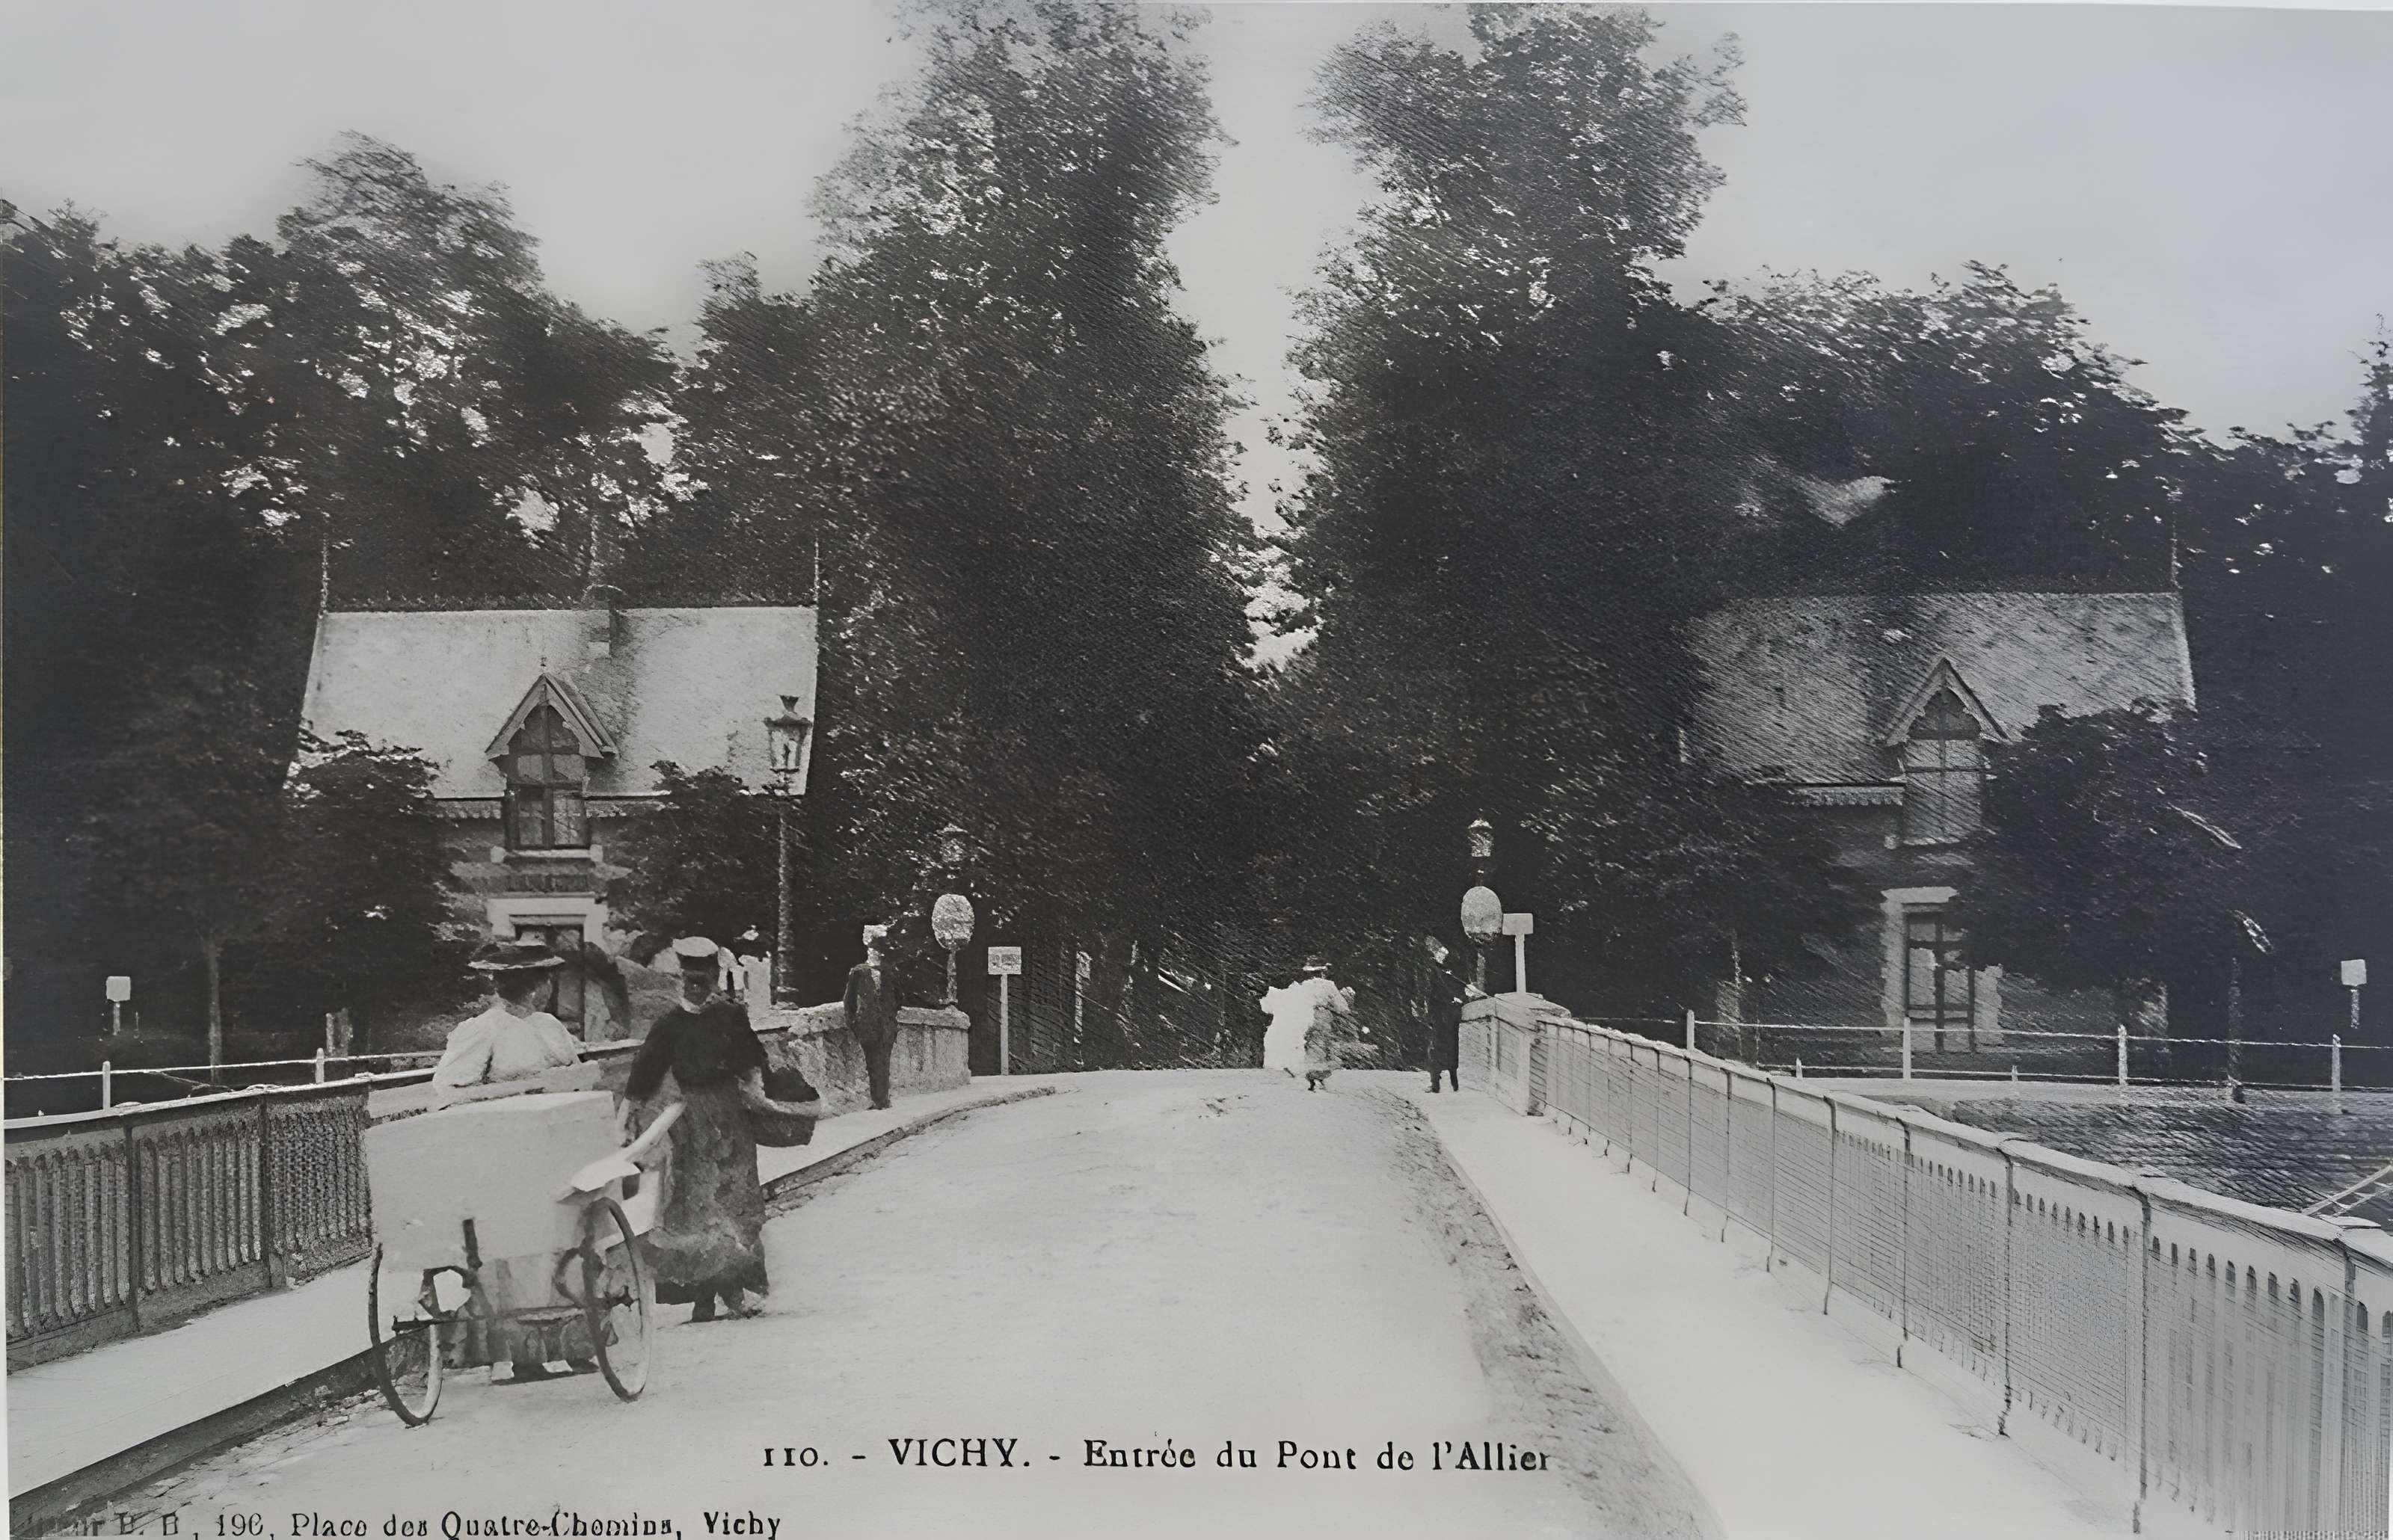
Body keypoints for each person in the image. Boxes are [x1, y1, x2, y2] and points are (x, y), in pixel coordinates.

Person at [621, 937, 816, 1324]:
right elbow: (643, 1078)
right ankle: (703, 1298)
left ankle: (733, 1291)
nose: (695, 986)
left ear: (714, 977)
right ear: (681, 979)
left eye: (703, 979)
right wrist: (626, 1119)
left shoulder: (731, 1017)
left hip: (730, 1119)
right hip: (692, 1123)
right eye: (689, 980)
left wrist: (770, 1102)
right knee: (696, 1211)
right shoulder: (668, 1026)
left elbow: (754, 1064)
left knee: (736, 1205)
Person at [428, 939, 592, 1382]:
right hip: (505, 1155)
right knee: (522, 1253)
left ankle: (577, 1344)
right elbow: (448, 1093)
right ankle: (525, 1355)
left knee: (570, 1240)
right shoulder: (483, 1030)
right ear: (507, 984)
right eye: (531, 980)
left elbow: (574, 1076)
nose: (536, 988)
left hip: (555, 1150)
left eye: (537, 980)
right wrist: (518, 1090)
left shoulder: (550, 1027)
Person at [430, 939, 583, 1101]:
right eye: (546, 981)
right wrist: (527, 1088)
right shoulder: (485, 1028)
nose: (549, 989)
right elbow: (448, 1089)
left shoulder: (549, 1024)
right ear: (534, 989)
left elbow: (577, 1072)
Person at [843, 924, 901, 1111]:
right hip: (867, 1025)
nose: (876, 953)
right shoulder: (859, 972)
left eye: (878, 951)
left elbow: (899, 998)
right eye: (873, 950)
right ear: (868, 950)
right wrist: (854, 1023)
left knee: (884, 1061)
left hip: (886, 1025)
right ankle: (878, 1100)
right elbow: (849, 1001)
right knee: (872, 1062)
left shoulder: (889, 972)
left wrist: (890, 1016)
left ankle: (882, 1100)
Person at [1422, 934, 1478, 1094]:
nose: (1443, 953)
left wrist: (1462, 996)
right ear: (1433, 953)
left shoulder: (1448, 969)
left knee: (1451, 1046)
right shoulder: (1431, 969)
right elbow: (1432, 991)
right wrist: (1450, 998)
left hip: (1451, 1014)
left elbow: (1460, 985)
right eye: (1439, 951)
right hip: (1439, 1013)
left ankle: (1454, 1083)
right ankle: (1436, 1084)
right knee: (1437, 1046)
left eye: (1442, 950)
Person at [1296, 957, 1353, 1092]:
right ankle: (1318, 1074)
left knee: (1309, 1044)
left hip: (1305, 1017)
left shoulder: (1304, 986)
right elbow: (1342, 1007)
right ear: (1323, 971)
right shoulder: (1328, 986)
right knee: (1322, 1045)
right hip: (1322, 1017)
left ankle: (1310, 1074)